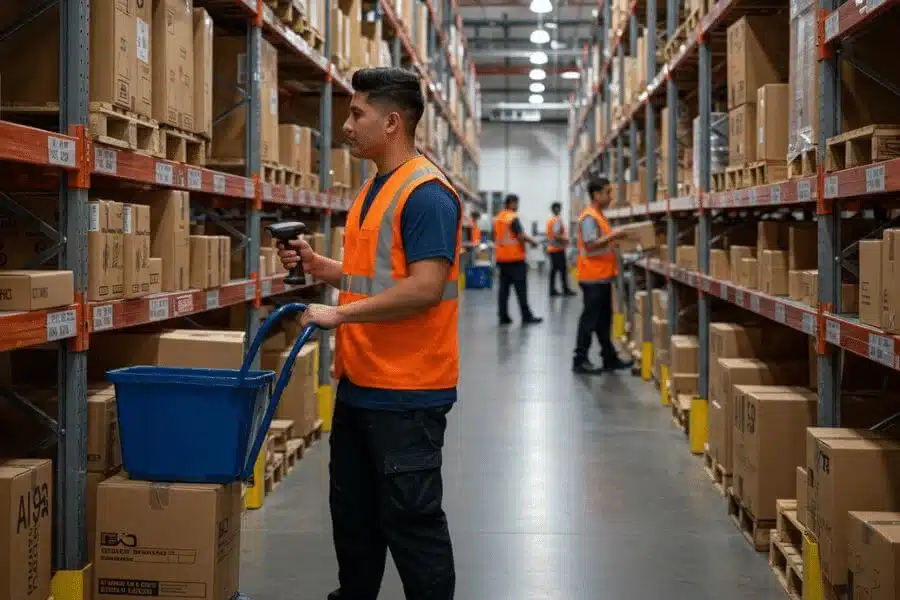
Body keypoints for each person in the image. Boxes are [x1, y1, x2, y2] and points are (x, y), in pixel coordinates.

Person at [278, 67, 458, 600]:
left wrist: (340, 316)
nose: (348, 124)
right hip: (360, 383)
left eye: (358, 113)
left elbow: (425, 288)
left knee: (412, 523)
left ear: (393, 121)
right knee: (353, 520)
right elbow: (376, 277)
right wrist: (321, 267)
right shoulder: (374, 189)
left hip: (407, 391)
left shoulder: (426, 195)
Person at [573, 176, 633, 375]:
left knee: (603, 321)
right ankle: (579, 360)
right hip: (592, 277)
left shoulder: (599, 215)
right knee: (589, 320)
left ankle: (609, 358)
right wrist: (615, 235)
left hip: (602, 276)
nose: (610, 196)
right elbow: (591, 244)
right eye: (607, 192)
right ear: (596, 194)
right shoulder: (590, 217)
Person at [493, 194, 543, 326]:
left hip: (502, 259)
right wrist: (534, 242)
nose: (517, 206)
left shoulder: (499, 218)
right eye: (516, 203)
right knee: (521, 290)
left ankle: (503, 316)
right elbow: (520, 235)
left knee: (504, 290)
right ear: (511, 203)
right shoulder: (512, 217)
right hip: (515, 259)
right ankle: (526, 316)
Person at [545, 202, 575, 297]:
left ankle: (552, 290)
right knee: (562, 270)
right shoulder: (556, 220)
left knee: (554, 270)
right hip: (557, 249)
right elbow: (556, 235)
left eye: (559, 208)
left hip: (553, 249)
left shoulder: (551, 220)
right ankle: (565, 290)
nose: (559, 210)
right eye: (558, 208)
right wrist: (566, 239)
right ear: (555, 209)